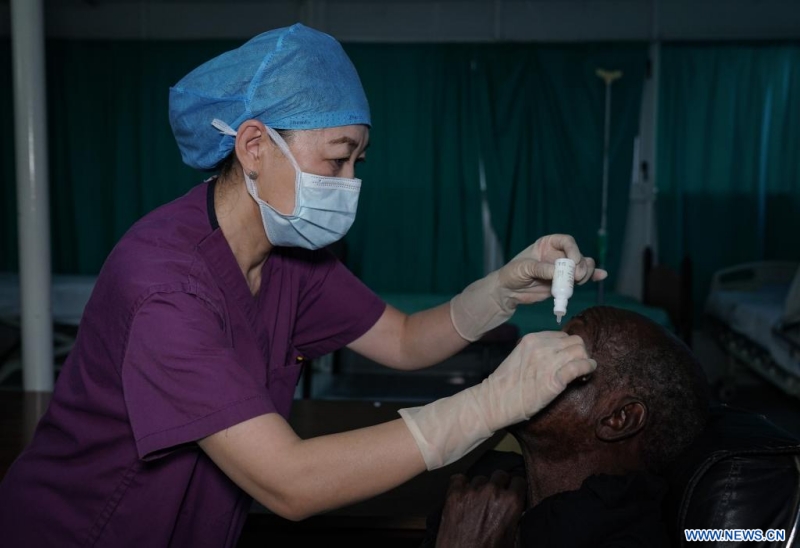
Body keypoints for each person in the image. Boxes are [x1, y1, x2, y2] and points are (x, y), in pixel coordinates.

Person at [0, 23, 606, 547]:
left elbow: (401, 339)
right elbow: (289, 483)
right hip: (82, 530)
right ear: (255, 146)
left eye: (356, 163)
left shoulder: (285, 250)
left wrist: (501, 288)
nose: (348, 183)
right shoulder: (167, 287)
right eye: (336, 159)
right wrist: (490, 403)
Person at [430, 306, 711, 548]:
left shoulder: (624, 538)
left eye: (566, 347)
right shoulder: (492, 481)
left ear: (619, 418)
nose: (526, 346)